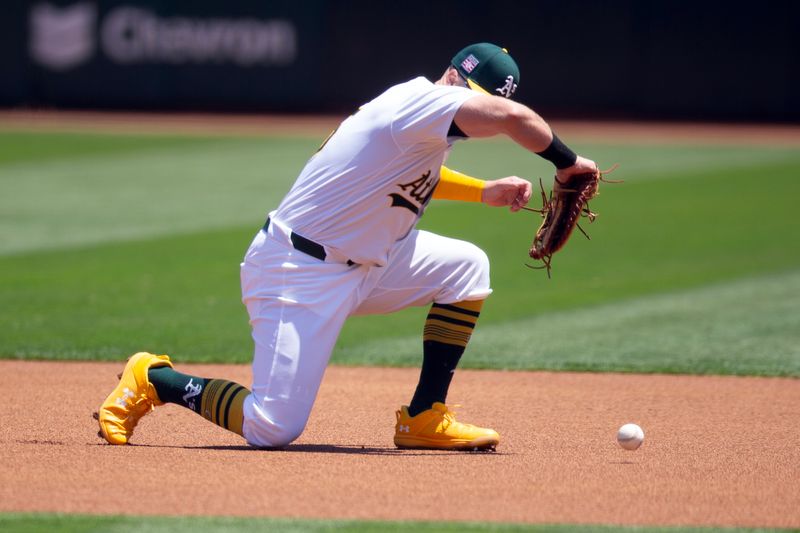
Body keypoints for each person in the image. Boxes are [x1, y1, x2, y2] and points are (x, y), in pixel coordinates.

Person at [97, 43, 598, 451]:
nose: (463, 103)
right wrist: (566, 161)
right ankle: (154, 378)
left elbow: (403, 176)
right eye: (466, 92)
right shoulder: (421, 100)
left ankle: (423, 417)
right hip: (297, 269)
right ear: (451, 75)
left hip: (370, 263)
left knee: (467, 266)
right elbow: (510, 116)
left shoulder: (420, 122)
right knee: (273, 426)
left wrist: (481, 191)